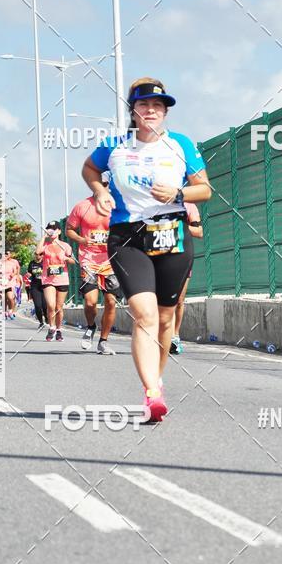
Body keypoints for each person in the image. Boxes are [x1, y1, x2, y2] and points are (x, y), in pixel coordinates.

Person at [81, 77, 211, 421]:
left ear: (165, 112)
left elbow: (205, 189)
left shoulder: (181, 145)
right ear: (133, 111)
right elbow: (90, 167)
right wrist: (99, 191)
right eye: (143, 106)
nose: (150, 111)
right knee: (145, 315)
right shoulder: (114, 146)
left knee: (167, 318)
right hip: (128, 238)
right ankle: (152, 393)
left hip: (172, 235)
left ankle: (157, 378)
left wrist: (178, 195)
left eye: (157, 106)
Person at [66, 190, 121, 355]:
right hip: (89, 260)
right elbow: (69, 229)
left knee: (111, 302)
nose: (104, 187)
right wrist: (82, 240)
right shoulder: (82, 206)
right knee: (90, 302)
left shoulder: (116, 206)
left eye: (106, 184)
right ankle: (91, 326)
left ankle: (103, 341)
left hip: (111, 260)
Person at [170, 201, 203, 354]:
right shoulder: (154, 202)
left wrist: (179, 227)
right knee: (160, 301)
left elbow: (199, 232)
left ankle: (175, 336)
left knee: (178, 301)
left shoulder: (189, 206)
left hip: (182, 257)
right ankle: (162, 334)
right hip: (158, 257)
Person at [35, 221, 75, 342]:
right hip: (48, 279)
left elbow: (73, 261)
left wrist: (66, 258)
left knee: (58, 307)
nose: (51, 231)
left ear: (59, 231)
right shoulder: (45, 246)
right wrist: (43, 237)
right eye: (49, 229)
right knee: (50, 305)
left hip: (62, 279)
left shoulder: (65, 246)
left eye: (54, 229)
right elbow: (37, 253)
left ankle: (58, 329)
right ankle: (51, 327)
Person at [25, 254, 47, 328]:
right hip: (35, 286)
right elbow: (29, 272)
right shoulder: (32, 263)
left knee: (45, 306)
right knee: (38, 305)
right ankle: (41, 322)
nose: (38, 256)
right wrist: (28, 274)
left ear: (42, 255)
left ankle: (47, 318)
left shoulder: (45, 262)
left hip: (45, 286)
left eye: (40, 255)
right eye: (36, 255)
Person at [2, 249, 20, 320]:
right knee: (3, 298)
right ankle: (4, 312)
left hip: (10, 282)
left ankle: (10, 311)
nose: (5, 255)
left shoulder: (13, 262)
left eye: (7, 253)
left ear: (10, 254)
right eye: (4, 254)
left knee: (10, 297)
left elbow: (16, 270)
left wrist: (15, 275)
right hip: (1, 283)